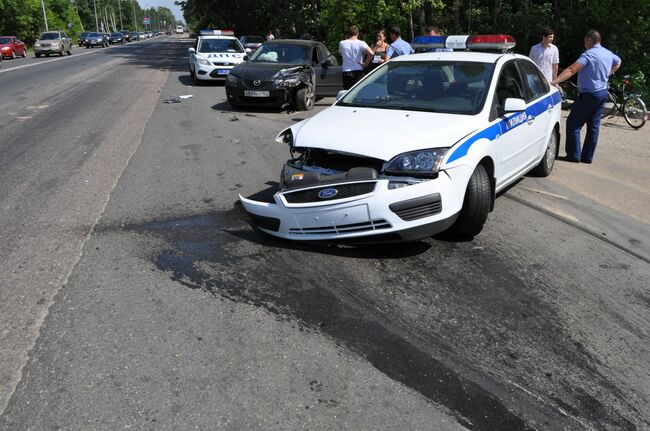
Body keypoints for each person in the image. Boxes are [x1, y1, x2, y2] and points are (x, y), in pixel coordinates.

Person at [551, 30, 621, 164]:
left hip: (589, 94)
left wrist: (554, 82)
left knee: (573, 123)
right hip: (602, 93)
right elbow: (618, 62)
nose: (584, 44)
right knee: (593, 126)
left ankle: (573, 155)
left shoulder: (589, 55)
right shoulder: (607, 53)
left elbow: (572, 70)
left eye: (585, 41)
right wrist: (608, 73)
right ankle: (587, 157)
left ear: (589, 39)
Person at [338, 25, 374, 89]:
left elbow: (340, 53)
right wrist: (365, 64)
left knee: (347, 93)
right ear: (358, 33)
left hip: (346, 71)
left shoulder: (342, 43)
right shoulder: (361, 43)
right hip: (358, 70)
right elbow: (371, 53)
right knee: (359, 92)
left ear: (348, 34)